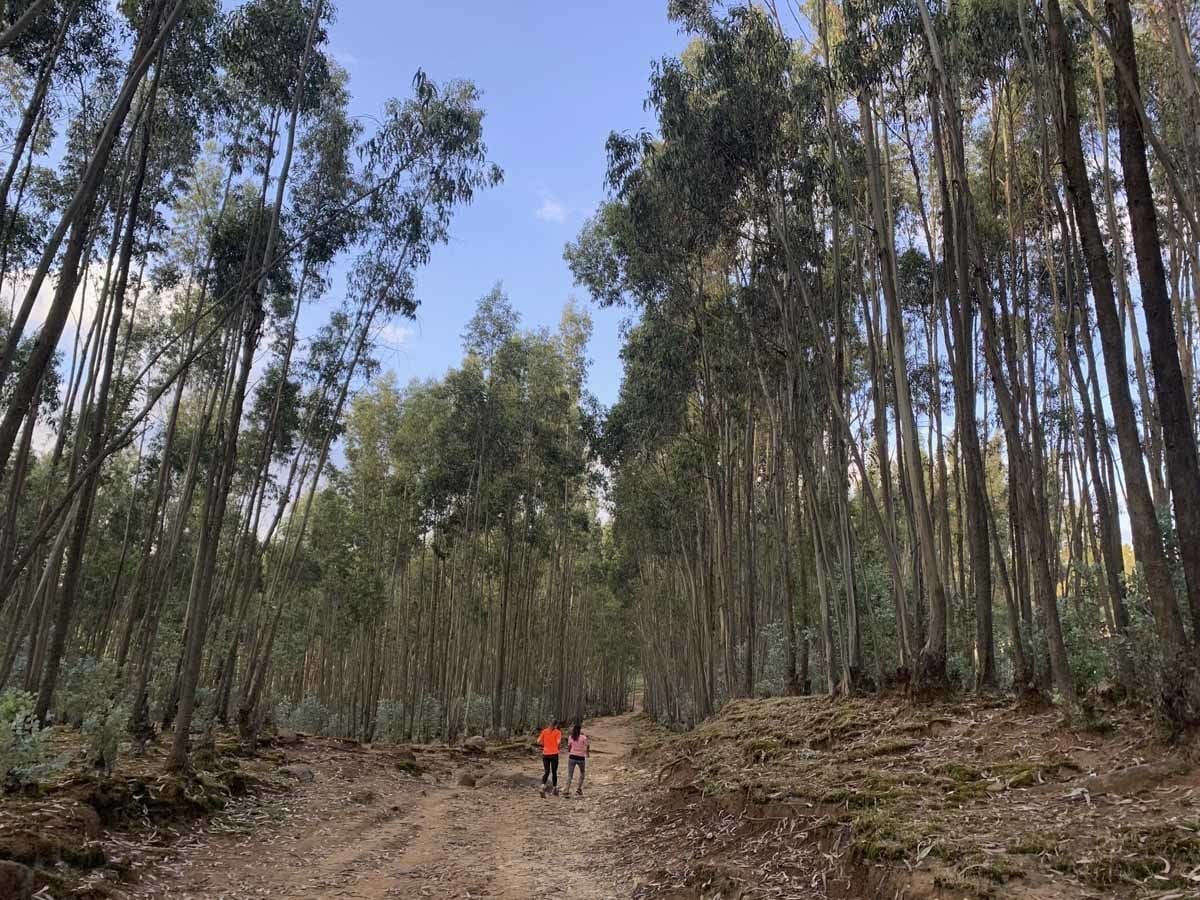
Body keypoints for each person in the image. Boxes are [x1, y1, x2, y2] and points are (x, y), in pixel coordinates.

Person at [536, 720, 562, 796]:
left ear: (549, 724)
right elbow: (558, 742)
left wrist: (544, 744)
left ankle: (542, 787)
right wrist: (555, 744)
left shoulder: (544, 731)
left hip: (545, 754)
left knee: (546, 771)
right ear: (555, 725)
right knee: (554, 772)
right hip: (554, 754)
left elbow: (538, 741)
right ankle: (554, 789)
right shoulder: (558, 732)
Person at [565, 721, 589, 797]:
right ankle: (578, 789)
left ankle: (567, 790)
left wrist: (570, 751)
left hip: (572, 757)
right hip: (581, 758)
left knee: (570, 775)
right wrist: (587, 753)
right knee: (582, 772)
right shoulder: (583, 737)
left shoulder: (570, 737)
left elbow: (569, 747)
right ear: (580, 729)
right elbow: (587, 745)